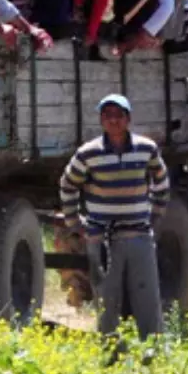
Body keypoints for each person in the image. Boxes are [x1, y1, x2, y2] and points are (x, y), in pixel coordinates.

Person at [59, 94, 170, 338]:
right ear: (101, 120)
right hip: (102, 239)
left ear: (128, 119)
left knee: (147, 298)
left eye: (118, 115)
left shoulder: (146, 148)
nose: (113, 121)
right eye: (107, 115)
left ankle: (152, 353)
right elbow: (68, 185)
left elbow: (161, 182)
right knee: (107, 301)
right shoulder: (88, 153)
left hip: (139, 236)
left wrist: (156, 214)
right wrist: (75, 224)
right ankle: (111, 353)